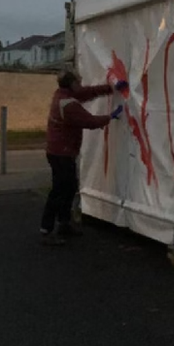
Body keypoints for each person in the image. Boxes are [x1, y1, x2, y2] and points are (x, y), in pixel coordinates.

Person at [40, 69, 127, 246]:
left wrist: (111, 88)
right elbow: (90, 121)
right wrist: (110, 116)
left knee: (69, 187)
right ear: (72, 84)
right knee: (59, 190)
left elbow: (86, 92)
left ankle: (63, 223)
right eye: (78, 82)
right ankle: (46, 230)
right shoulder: (68, 104)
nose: (80, 85)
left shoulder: (62, 94)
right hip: (61, 153)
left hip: (59, 151)